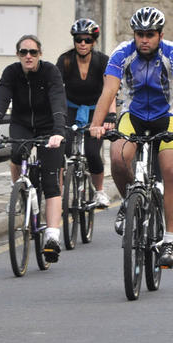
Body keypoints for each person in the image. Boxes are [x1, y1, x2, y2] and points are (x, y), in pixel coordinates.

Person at [88, 6, 173, 269]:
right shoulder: (122, 54)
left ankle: (169, 239)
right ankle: (128, 202)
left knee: (171, 171)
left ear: (160, 34)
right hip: (133, 114)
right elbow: (109, 90)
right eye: (139, 34)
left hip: (166, 115)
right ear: (133, 35)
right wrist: (96, 124)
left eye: (150, 34)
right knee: (118, 156)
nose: (144, 39)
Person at [0, 35, 67, 262]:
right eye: (23, 52)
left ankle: (51, 236)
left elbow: (58, 101)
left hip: (49, 126)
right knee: (17, 153)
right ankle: (18, 190)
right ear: (18, 54)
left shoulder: (50, 72)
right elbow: (1, 102)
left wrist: (59, 131)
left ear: (40, 54)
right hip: (22, 124)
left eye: (33, 52)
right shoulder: (11, 73)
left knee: (50, 180)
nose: (28, 56)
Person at [55, 18, 114, 208]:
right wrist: (54, 114)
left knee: (92, 152)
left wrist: (111, 116)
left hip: (95, 111)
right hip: (70, 109)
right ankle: (58, 194)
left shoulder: (102, 61)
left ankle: (99, 191)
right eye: (78, 39)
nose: (82, 43)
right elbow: (55, 89)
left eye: (87, 40)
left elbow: (110, 91)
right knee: (62, 147)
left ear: (94, 42)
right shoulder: (65, 60)